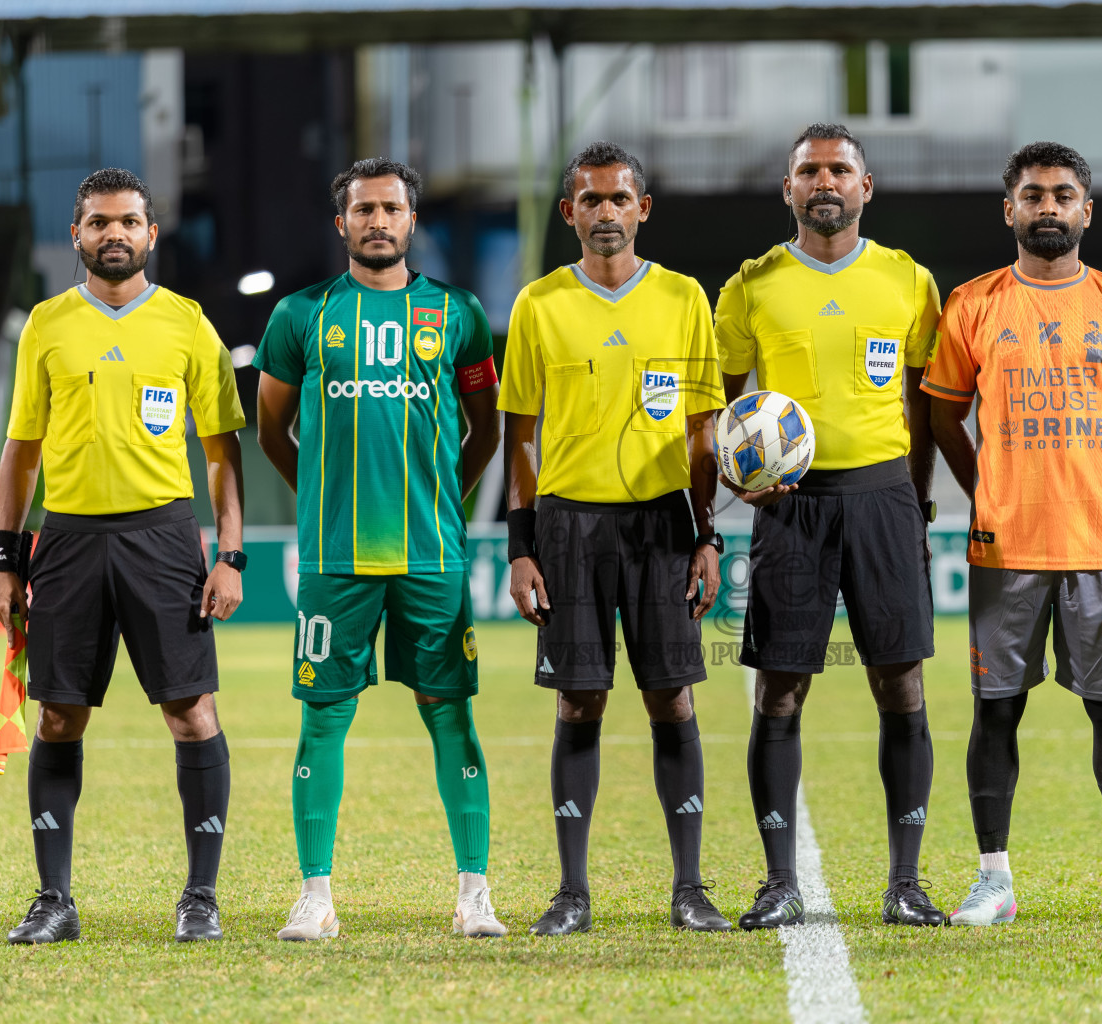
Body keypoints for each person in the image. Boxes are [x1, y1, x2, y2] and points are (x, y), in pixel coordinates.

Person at [924, 142, 1102, 926]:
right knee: (995, 711)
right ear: (1010, 210)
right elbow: (941, 414)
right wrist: (983, 488)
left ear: (1086, 210)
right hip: (1006, 548)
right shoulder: (971, 304)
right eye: (1032, 195)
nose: (1048, 207)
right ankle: (992, 879)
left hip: (1099, 545)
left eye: (1063, 195)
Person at [0, 168, 246, 944]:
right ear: (77, 235)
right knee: (59, 715)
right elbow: (20, 451)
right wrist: (6, 555)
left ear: (150, 234)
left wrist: (231, 551)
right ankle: (54, 899)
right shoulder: (47, 324)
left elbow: (221, 450)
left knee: (191, 712)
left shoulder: (187, 323)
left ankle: (200, 897)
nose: (115, 234)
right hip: (66, 540)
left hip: (164, 538)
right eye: (99, 223)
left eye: (129, 221)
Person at [254, 158, 505, 940]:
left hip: (431, 554)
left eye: (390, 208)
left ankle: (473, 893)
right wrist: (322, 492)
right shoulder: (301, 316)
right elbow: (272, 429)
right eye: (362, 210)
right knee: (323, 718)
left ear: (411, 220)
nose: (377, 221)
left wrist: (443, 500)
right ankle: (315, 896)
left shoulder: (457, 313)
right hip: (335, 557)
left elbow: (484, 428)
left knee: (451, 714)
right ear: (342, 223)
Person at [716, 122, 944, 929]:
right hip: (790, 506)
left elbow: (924, 400)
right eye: (808, 170)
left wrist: (916, 503)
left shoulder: (909, 282)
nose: (824, 181)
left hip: (884, 498)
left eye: (839, 169)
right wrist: (733, 475)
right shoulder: (751, 286)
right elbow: (721, 402)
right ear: (788, 190)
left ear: (865, 186)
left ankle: (906, 883)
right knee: (780, 688)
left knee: (901, 682)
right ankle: (779, 880)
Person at [499, 141, 729, 935]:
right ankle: (571, 893)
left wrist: (709, 538)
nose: (605, 213)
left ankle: (690, 889)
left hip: (664, 523)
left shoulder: (684, 298)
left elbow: (705, 431)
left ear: (643, 209)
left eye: (618, 199)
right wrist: (519, 546)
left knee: (671, 694)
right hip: (569, 526)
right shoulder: (537, 304)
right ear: (569, 212)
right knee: (579, 697)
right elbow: (519, 436)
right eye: (590, 200)